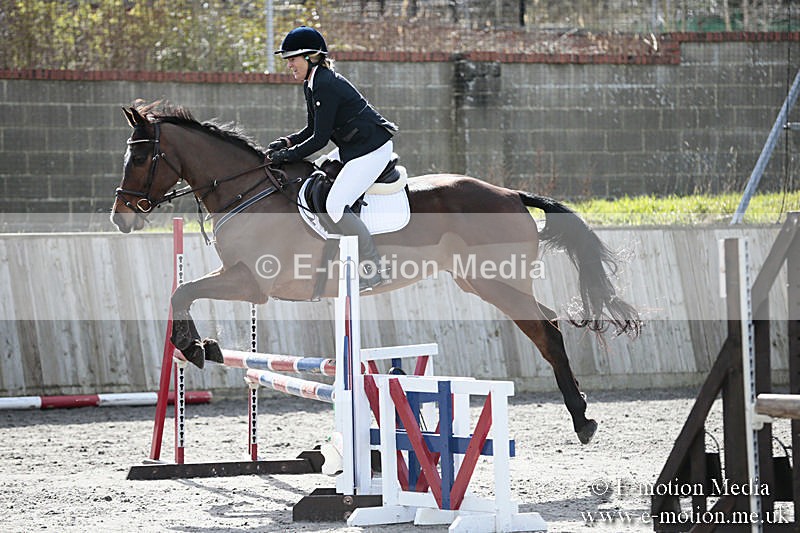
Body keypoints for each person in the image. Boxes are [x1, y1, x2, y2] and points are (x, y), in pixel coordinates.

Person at [268, 26, 397, 291]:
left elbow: (319, 139)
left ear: (311, 57)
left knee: (335, 204)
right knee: (317, 174)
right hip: (354, 147)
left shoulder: (325, 84)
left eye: (293, 58)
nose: (289, 64)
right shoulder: (312, 83)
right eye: (288, 60)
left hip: (371, 149)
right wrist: (288, 141)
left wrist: (286, 156)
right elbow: (311, 129)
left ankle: (373, 270)